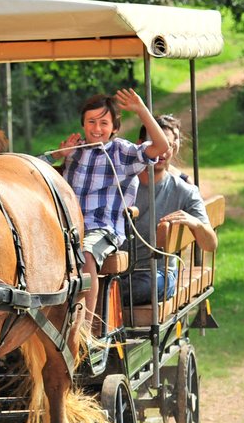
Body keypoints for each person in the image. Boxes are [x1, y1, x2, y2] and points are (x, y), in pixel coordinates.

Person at [53, 89, 169, 329]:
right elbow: (38, 171)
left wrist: (141, 111)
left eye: (104, 123)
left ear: (115, 127)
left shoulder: (121, 152)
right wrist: (61, 157)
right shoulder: (75, 151)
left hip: (102, 229)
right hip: (68, 227)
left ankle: (84, 330)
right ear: (83, 125)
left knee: (85, 254)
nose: (97, 128)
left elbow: (160, 146)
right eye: (91, 122)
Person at [127, 114, 218, 305]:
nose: (161, 152)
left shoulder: (184, 191)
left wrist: (196, 224)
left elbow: (210, 245)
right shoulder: (122, 183)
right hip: (117, 272)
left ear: (173, 148)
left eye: (166, 145)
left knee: (146, 287)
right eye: (155, 144)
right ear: (140, 145)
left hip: (156, 273)